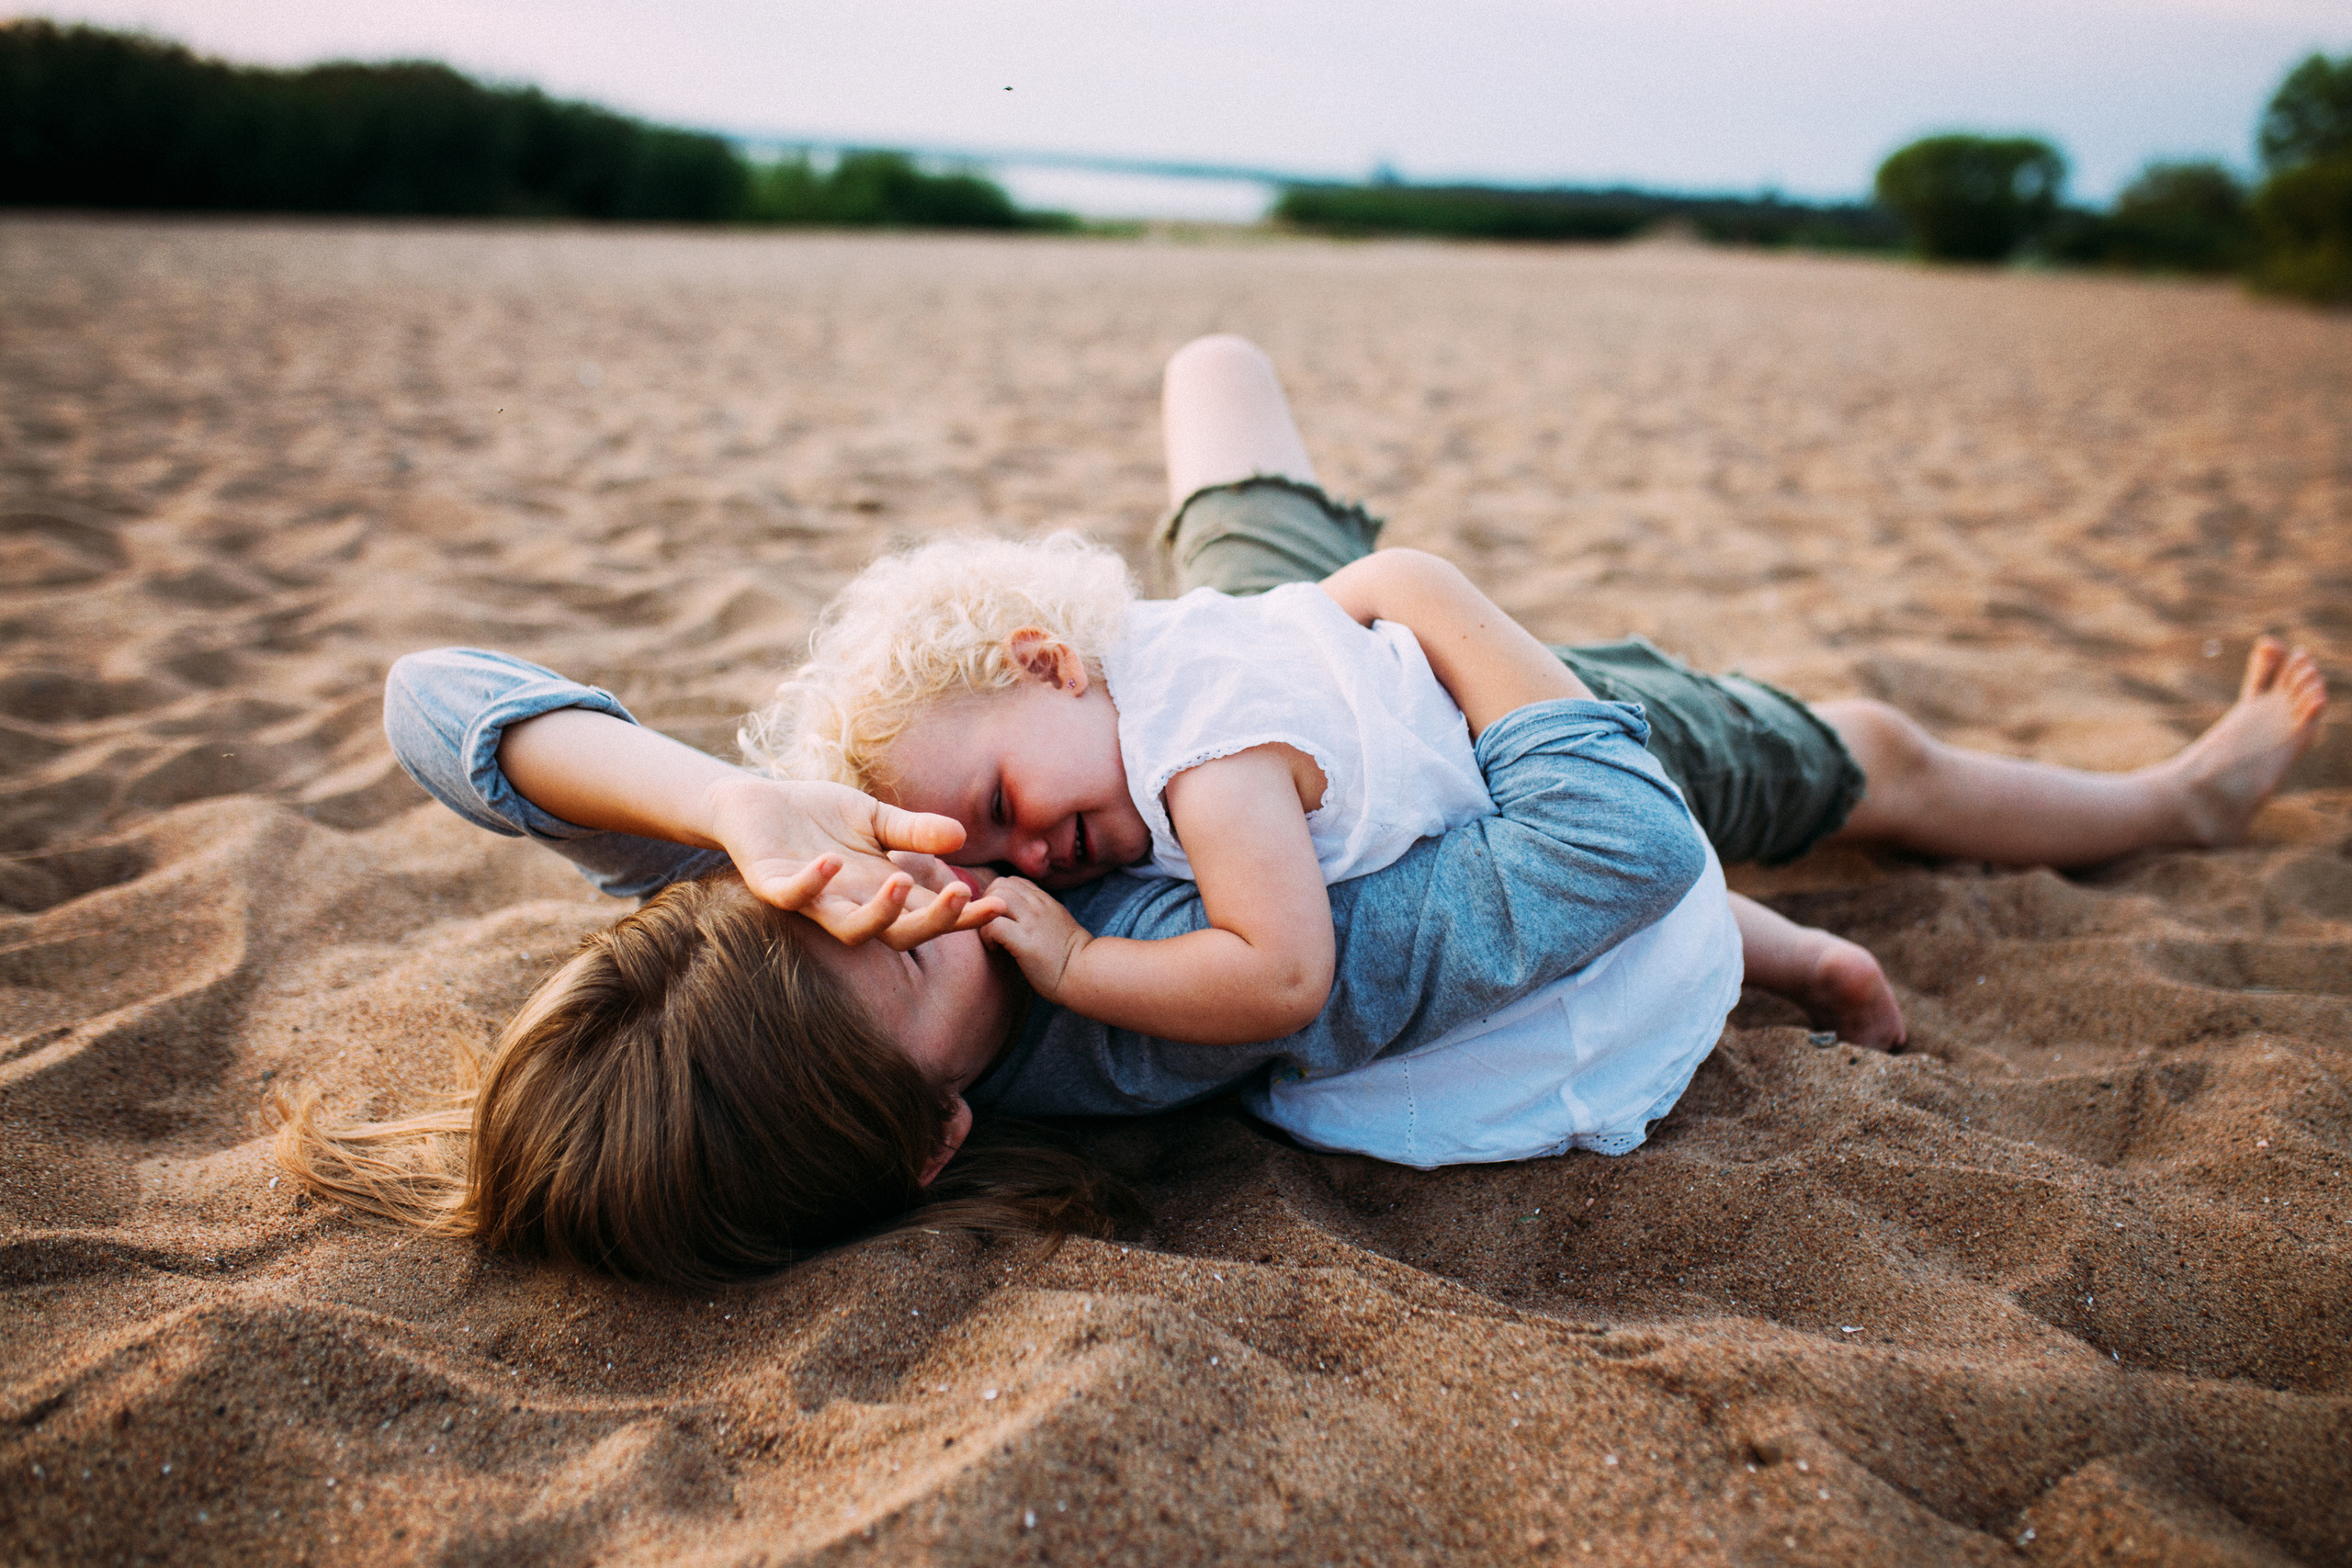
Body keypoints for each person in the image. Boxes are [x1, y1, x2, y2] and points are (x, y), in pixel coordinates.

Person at [279, 335, 2327, 1286]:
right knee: (1859, 746)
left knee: (1214, 389)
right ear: (939, 1137)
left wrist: (737, 804)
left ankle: (1241, 449)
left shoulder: (806, 878)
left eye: (851, 899)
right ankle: (2174, 790)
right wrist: (1442, 608)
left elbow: (435, 699)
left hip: (1197, 649)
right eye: (914, 970)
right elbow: (1596, 854)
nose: (939, 895)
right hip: (1471, 712)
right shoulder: (1186, 991)